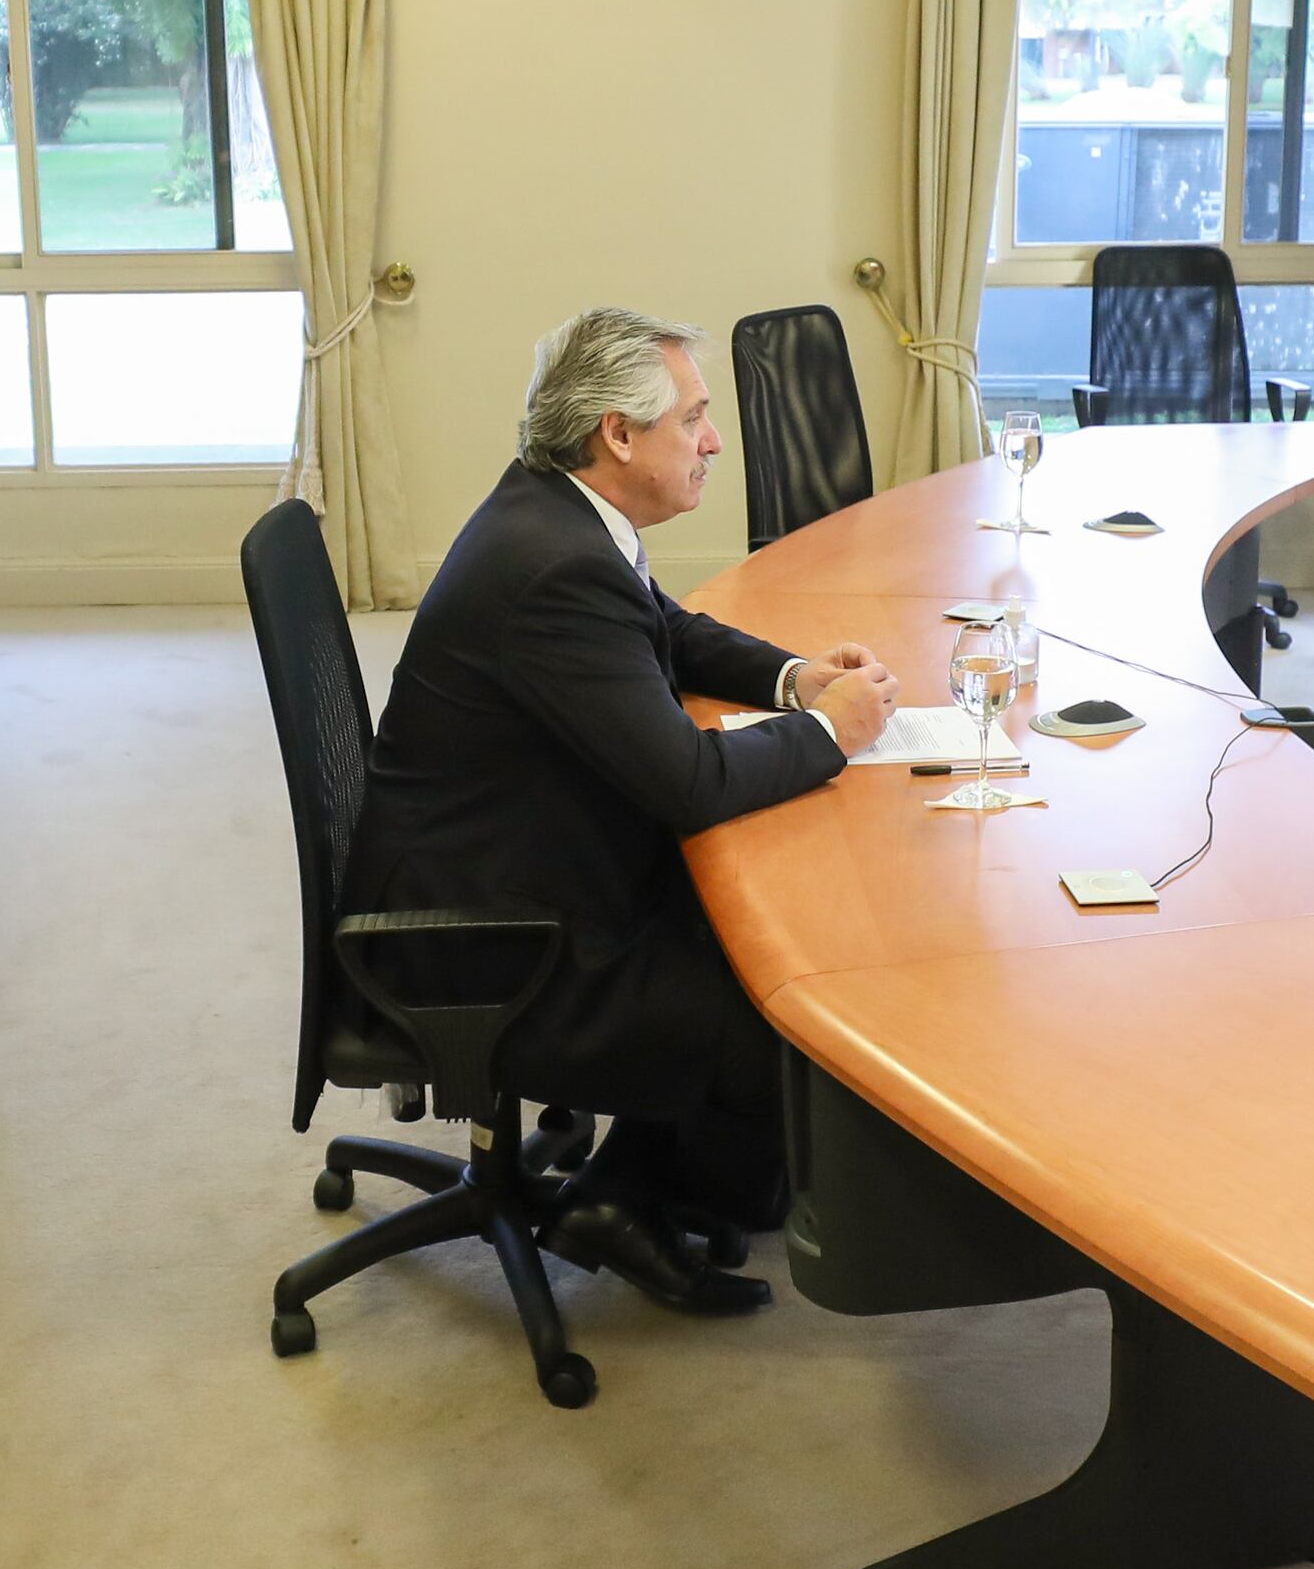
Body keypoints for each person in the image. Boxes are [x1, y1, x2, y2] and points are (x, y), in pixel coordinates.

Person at [345, 306, 901, 1317]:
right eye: (691, 417)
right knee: (788, 999)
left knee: (758, 933)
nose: (713, 440)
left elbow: (663, 629)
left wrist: (790, 677)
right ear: (617, 433)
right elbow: (687, 783)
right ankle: (635, 1197)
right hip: (476, 937)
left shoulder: (560, 513)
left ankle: (648, 1185)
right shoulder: (555, 564)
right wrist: (832, 734)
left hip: (487, 861)